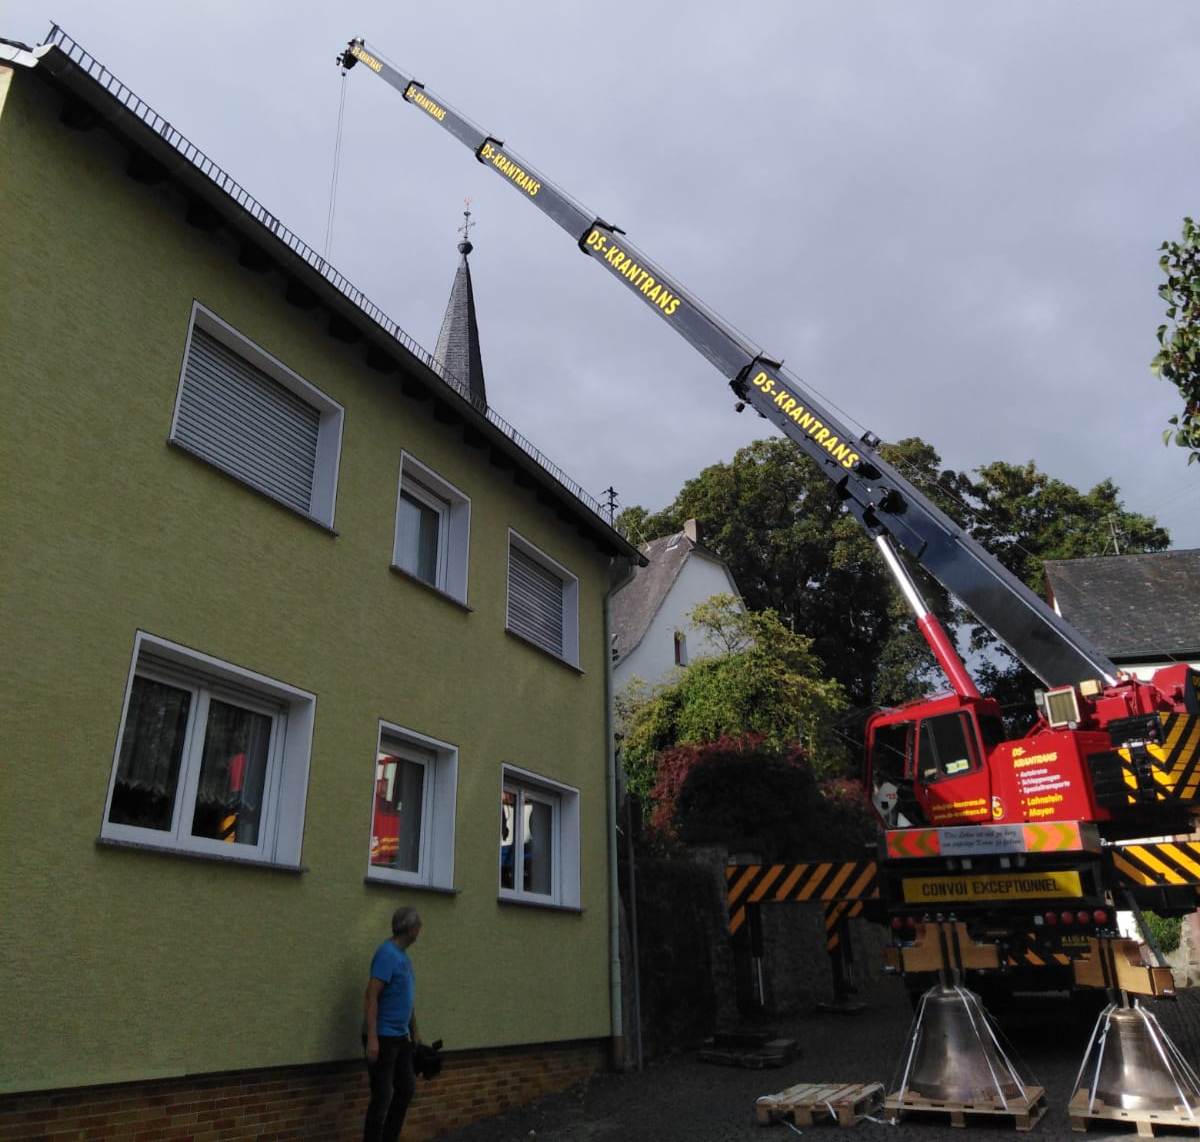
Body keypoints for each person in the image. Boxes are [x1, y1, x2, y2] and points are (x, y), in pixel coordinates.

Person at [363, 907, 422, 1142]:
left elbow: (406, 998)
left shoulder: (404, 958)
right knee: (382, 1097)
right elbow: (371, 996)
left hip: (401, 1037)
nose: (420, 931)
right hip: (384, 1037)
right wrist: (373, 1038)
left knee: (406, 1089)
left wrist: (415, 1031)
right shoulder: (386, 954)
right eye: (419, 926)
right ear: (410, 929)